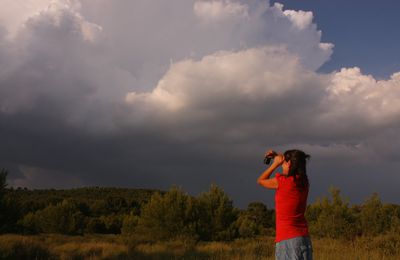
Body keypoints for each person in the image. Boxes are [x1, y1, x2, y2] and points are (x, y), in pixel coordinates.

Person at [257, 149, 313, 260]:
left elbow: (261, 180)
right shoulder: (304, 182)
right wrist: (279, 157)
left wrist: (275, 164)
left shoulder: (282, 182)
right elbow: (292, 166)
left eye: (285, 162)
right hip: (304, 239)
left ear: (289, 163)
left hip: (288, 241)